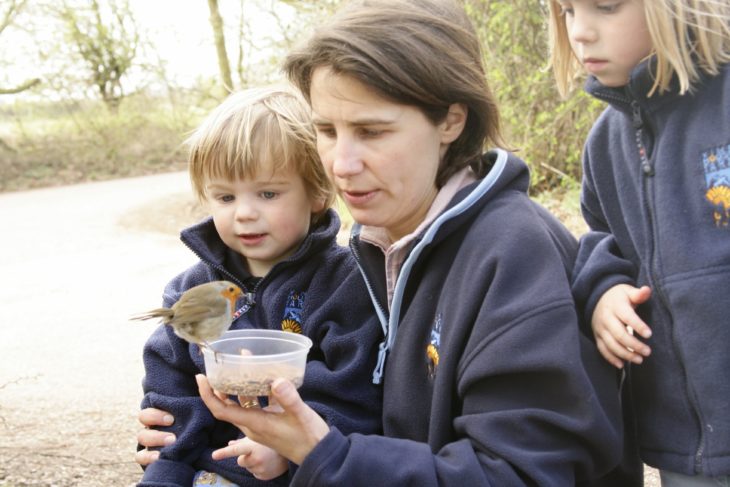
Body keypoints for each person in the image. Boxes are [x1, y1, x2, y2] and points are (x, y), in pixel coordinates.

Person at [136, 85, 382, 486]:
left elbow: (352, 396)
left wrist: (291, 451)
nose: (245, 214)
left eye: (268, 193)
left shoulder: (346, 284)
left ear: (318, 192)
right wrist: (167, 470)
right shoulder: (190, 289)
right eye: (226, 197)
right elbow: (171, 395)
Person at [547, 0, 730, 485]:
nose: (581, 32)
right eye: (567, 11)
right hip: (683, 450)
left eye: (605, 7)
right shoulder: (605, 143)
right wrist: (604, 292)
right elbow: (601, 238)